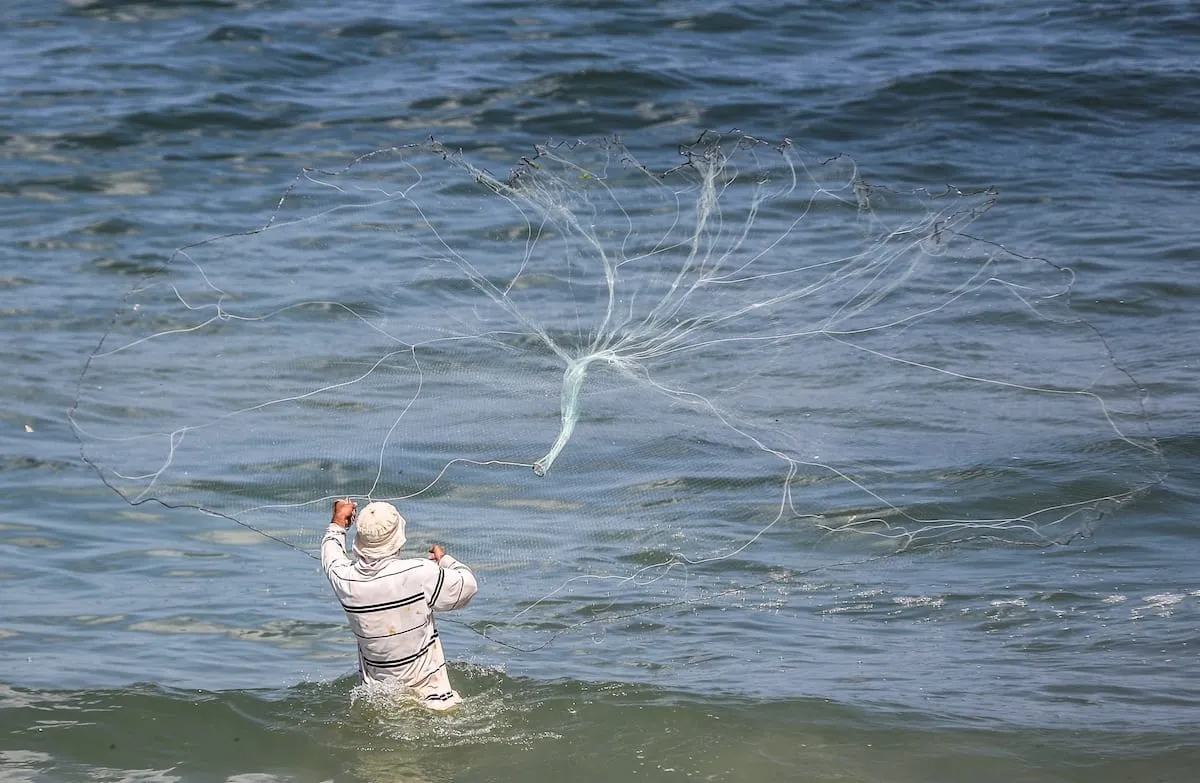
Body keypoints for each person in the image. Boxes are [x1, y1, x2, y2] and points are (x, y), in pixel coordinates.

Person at [321, 498, 477, 710]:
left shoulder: (345, 580)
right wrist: (445, 561)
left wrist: (338, 522)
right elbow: (467, 588)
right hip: (435, 703)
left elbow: (331, 554)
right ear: (398, 537)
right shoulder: (419, 572)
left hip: (380, 702)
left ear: (361, 539)